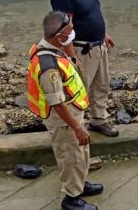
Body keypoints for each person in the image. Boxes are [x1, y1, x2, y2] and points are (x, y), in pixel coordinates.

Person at [27, 11, 103, 210]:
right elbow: (57, 103)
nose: (72, 35)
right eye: (69, 32)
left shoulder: (51, 48)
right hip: (64, 118)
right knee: (71, 156)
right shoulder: (48, 67)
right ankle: (71, 199)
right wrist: (77, 127)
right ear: (59, 37)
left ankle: (79, 183)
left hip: (73, 110)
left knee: (81, 152)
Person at [50, 0, 118, 138]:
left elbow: (93, 13)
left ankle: (98, 120)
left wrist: (103, 35)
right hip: (81, 49)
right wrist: (71, 56)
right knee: (79, 89)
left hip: (98, 45)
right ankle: (75, 126)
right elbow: (64, 29)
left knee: (101, 85)